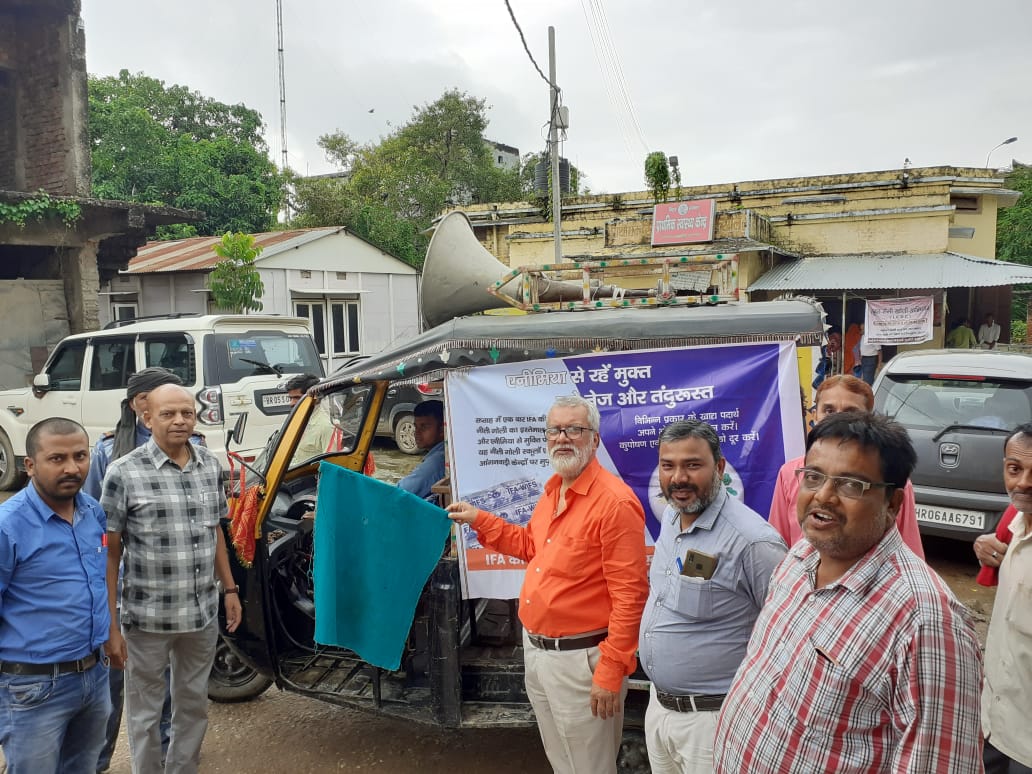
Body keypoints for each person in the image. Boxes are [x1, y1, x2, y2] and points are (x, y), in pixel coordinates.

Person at [714, 412, 983, 773]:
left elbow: (940, 763)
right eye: (813, 477)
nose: (823, 496)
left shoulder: (926, 620)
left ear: (893, 503)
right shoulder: (799, 557)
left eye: (851, 485)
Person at [447, 395, 648, 774]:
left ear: (595, 439)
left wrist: (611, 670)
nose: (562, 438)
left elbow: (630, 596)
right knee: (562, 763)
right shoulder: (554, 490)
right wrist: (479, 519)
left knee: (590, 768)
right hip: (538, 654)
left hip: (581, 662)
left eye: (574, 429)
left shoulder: (614, 503)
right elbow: (531, 546)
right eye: (555, 430)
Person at [101, 383, 242, 774]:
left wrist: (229, 588)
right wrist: (111, 623)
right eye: (168, 414)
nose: (180, 421)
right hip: (147, 619)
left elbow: (215, 531)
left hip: (201, 615)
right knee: (145, 715)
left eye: (187, 413)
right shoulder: (123, 472)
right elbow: (110, 553)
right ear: (147, 418)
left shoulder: (208, 465)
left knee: (193, 705)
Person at [638, 420, 786, 774]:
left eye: (693, 465)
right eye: (668, 465)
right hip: (659, 711)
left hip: (714, 723)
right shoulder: (672, 517)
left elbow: (788, 636)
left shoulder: (753, 542)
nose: (678, 478)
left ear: (719, 467)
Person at [86, 368, 196, 772]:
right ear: (140, 406)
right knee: (119, 682)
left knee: (170, 684)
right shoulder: (109, 454)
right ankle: (99, 758)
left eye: (184, 408)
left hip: (178, 596)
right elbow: (97, 526)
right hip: (127, 592)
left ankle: (166, 752)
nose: (178, 416)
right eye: (164, 403)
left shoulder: (194, 450)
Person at [0, 418, 111, 773]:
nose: (72, 468)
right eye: (57, 458)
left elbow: (99, 580)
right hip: (31, 687)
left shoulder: (92, 511)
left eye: (80, 456)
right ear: (30, 465)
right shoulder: (8, 526)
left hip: (94, 675)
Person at [767, 375, 925, 559]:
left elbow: (909, 547)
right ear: (815, 415)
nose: (823, 495)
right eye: (829, 410)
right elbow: (778, 543)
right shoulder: (789, 473)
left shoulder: (889, 480)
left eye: (851, 413)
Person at [979, 423, 1032, 772]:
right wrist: (982, 546)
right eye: (1015, 469)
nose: (1023, 482)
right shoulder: (1014, 523)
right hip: (994, 720)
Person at [398, 400, 446, 499]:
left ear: (442, 430)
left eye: (424, 427)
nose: (416, 433)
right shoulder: (443, 453)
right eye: (416, 427)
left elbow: (401, 492)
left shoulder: (438, 460)